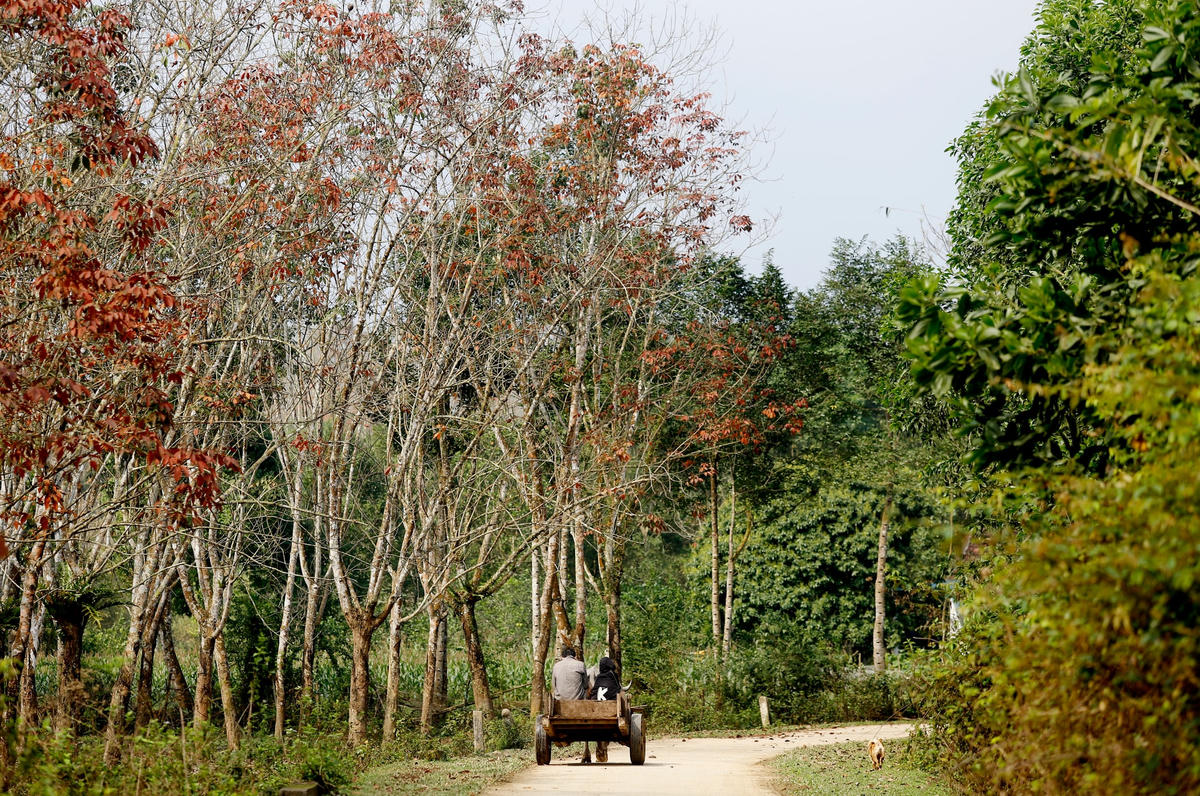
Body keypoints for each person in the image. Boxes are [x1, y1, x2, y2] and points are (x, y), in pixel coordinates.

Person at [551, 646, 593, 763]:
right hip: (578, 705)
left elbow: (554, 687)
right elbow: (585, 685)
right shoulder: (580, 665)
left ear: (563, 656)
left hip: (561, 705)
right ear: (574, 656)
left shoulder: (556, 666)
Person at [588, 656, 620, 763]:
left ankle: (600, 749)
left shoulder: (598, 679)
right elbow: (619, 690)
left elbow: (593, 692)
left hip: (595, 710)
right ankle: (602, 749)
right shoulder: (613, 676)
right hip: (610, 711)